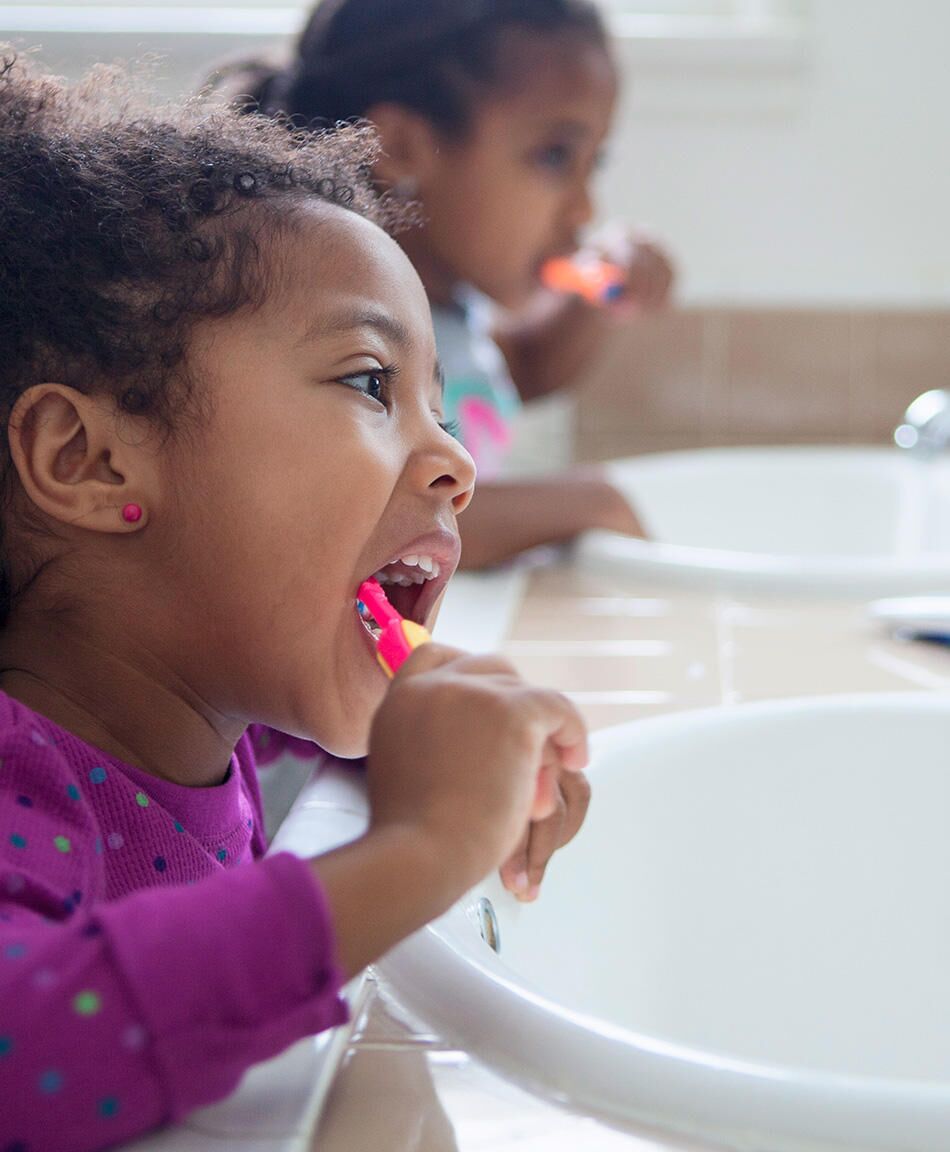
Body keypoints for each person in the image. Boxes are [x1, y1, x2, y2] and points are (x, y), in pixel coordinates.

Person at [0, 54, 590, 1152]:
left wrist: (419, 738)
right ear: (88, 459)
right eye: (370, 382)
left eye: (441, 407)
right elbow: (29, 1046)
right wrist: (419, 846)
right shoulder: (17, 773)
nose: (455, 461)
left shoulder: (216, 705)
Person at [210, 0, 675, 569]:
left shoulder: (451, 311)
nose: (583, 209)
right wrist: (580, 503)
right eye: (555, 156)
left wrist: (595, 303)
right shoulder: (344, 336)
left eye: (592, 163)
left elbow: (525, 368)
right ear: (402, 147)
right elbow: (376, 520)